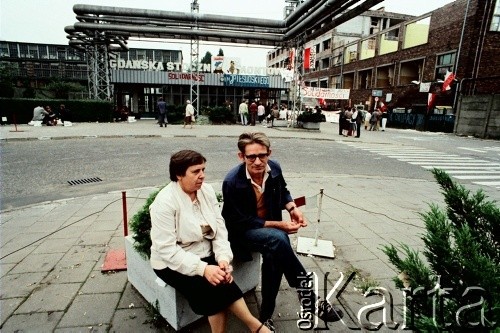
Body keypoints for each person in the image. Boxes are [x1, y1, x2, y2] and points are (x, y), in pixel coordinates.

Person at [221, 132, 343, 331]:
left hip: (269, 234)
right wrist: (280, 225)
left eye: (262, 155)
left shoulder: (274, 168)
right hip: (242, 233)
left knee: (275, 257)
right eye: (251, 157)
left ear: (269, 153)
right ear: (241, 157)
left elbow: (284, 190)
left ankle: (266, 317)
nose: (258, 161)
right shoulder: (232, 182)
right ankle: (308, 297)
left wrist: (293, 209)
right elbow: (239, 221)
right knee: (279, 239)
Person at [150, 150, 271, 333]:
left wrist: (223, 259)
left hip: (203, 253)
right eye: (196, 171)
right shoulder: (164, 203)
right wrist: (204, 269)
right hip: (170, 263)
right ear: (178, 175)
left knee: (222, 278)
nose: (202, 176)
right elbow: (166, 250)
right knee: (211, 287)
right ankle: (256, 327)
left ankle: (253, 328)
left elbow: (220, 230)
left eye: (203, 169)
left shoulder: (205, 191)